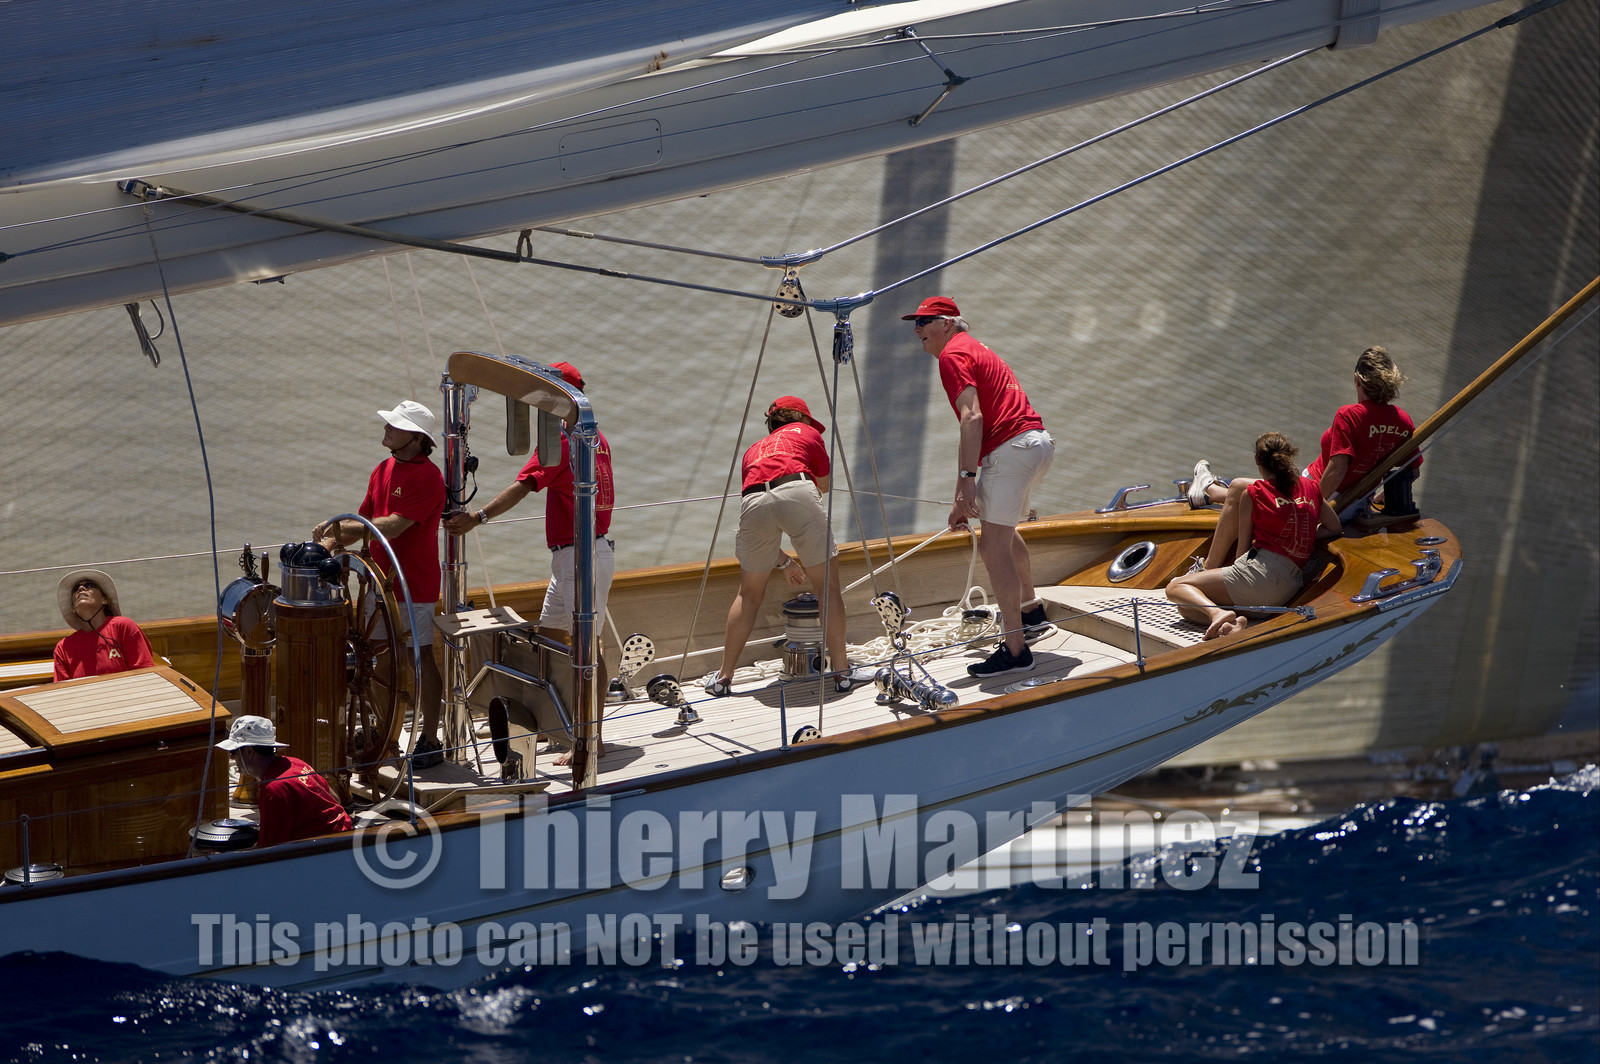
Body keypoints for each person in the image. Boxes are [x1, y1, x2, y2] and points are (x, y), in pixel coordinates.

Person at [442, 362, 615, 765]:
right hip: (579, 552)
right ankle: (555, 724)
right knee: (553, 640)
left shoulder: (562, 437)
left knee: (587, 645)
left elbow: (526, 483)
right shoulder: (595, 436)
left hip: (581, 554)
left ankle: (592, 736)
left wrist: (476, 518)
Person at [907, 296, 1056, 679]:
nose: (917, 329)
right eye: (915, 323)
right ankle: (1030, 610)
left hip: (1009, 450)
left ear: (948, 323)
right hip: (1035, 443)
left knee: (992, 548)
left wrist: (965, 486)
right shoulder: (975, 348)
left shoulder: (952, 355)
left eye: (924, 322)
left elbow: (971, 419)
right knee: (1001, 534)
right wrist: (966, 483)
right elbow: (972, 426)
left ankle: (1016, 649)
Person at [703, 396, 873, 697]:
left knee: (749, 593)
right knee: (827, 589)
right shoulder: (807, 434)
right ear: (802, 418)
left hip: (753, 500)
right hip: (797, 489)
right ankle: (842, 673)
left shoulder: (753, 450)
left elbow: (764, 503)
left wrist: (783, 562)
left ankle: (723, 678)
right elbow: (823, 484)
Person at [313, 399, 446, 767]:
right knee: (372, 660)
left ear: (417, 439)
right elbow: (366, 520)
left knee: (418, 657)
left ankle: (430, 737)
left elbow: (390, 526)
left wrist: (338, 529)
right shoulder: (382, 469)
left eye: (395, 425)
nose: (386, 427)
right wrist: (331, 542)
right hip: (378, 583)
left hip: (412, 585)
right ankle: (383, 730)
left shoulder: (429, 478)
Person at [1190, 346, 1421, 518]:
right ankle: (1210, 490)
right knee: (1260, 489)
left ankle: (1208, 490)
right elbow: (1412, 470)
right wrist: (1382, 496)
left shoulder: (1350, 414)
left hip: (1317, 491)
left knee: (1242, 487)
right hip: (1355, 505)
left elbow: (1336, 470)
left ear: (1356, 381)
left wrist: (1309, 508)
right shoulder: (1403, 421)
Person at [1167, 433, 1341, 639]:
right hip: (1286, 589)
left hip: (1258, 577)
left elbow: (1243, 551)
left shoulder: (1254, 492)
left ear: (1258, 461)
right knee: (1186, 608)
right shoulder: (1311, 487)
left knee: (1177, 587)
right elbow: (1334, 528)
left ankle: (1218, 614)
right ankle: (1232, 625)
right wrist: (1307, 535)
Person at [216, 714, 352, 847]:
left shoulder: (273, 789)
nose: (232, 758)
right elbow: (335, 800)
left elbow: (269, 849)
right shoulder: (296, 763)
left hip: (327, 848)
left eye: (233, 752)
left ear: (249, 751)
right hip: (344, 833)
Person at [52, 568, 155, 681]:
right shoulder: (63, 648)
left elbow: (145, 675)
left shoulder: (123, 627)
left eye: (90, 585)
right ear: (73, 609)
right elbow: (63, 691)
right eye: (75, 590)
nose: (81, 588)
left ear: (105, 600)